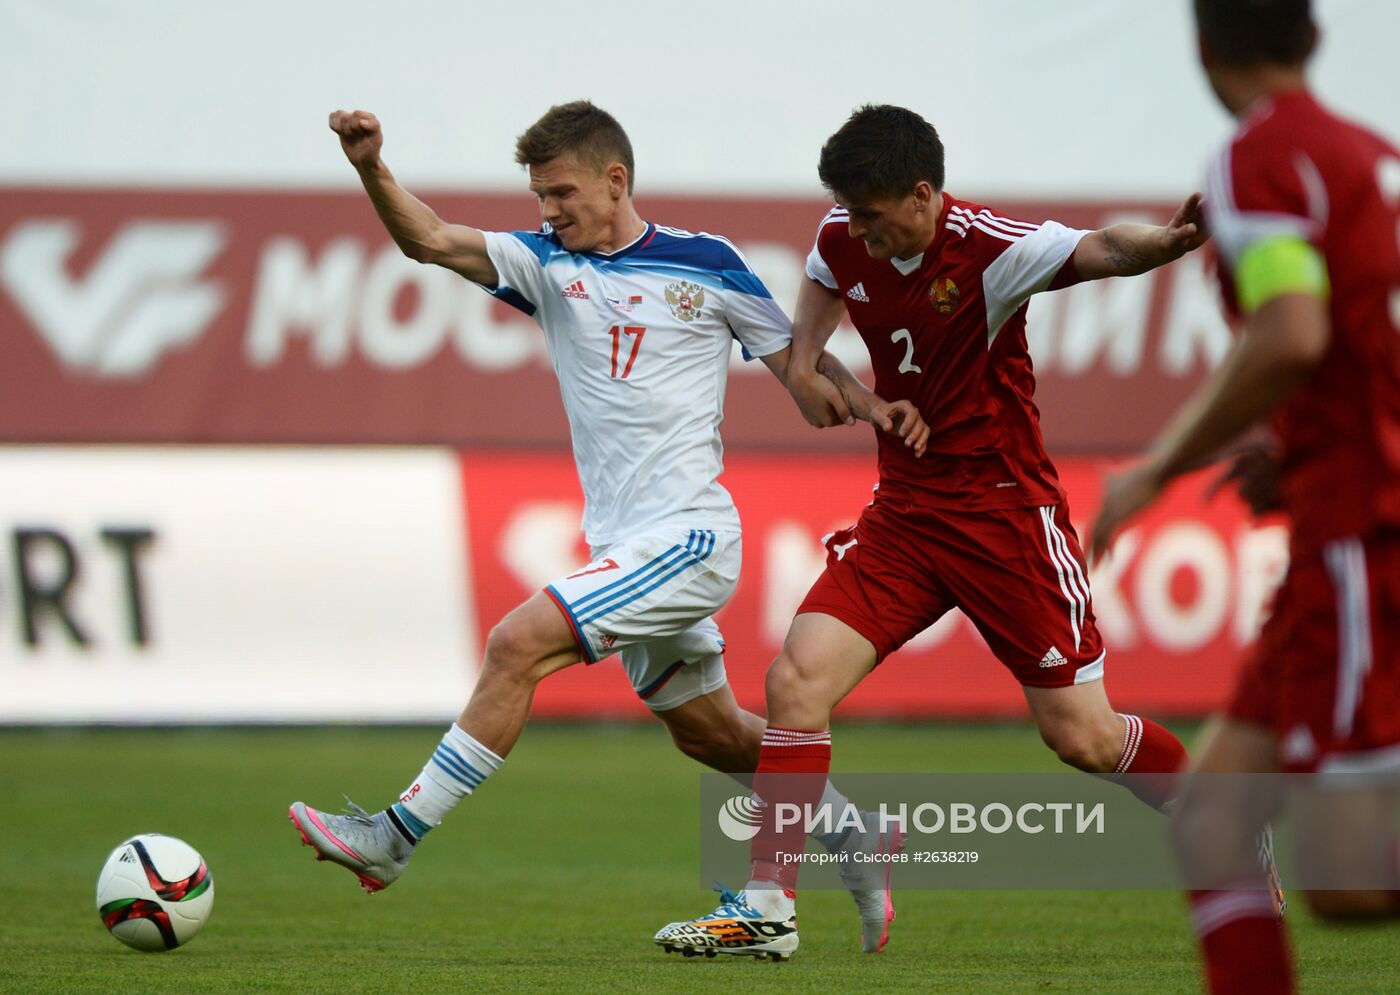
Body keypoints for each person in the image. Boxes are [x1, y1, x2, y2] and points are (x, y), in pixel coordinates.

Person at [287, 100, 929, 953]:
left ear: (615, 180)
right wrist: (371, 166)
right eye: (538, 196)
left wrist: (865, 403)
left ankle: (394, 837)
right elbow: (430, 239)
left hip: (693, 537)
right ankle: (857, 834)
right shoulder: (545, 265)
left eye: (560, 193)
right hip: (627, 547)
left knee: (519, 642)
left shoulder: (712, 265)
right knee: (710, 731)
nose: (547, 211)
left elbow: (804, 376)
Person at [655, 103, 1211, 961]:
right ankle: (770, 906)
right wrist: (825, 379)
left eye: (875, 216)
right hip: (906, 517)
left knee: (1083, 738)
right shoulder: (844, 233)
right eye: (851, 213)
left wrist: (1169, 244)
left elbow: (1103, 248)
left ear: (923, 195)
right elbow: (812, 327)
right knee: (795, 681)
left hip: (1004, 520)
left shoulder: (991, 249)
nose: (860, 232)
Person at [1089, 2, 1400, 992]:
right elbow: (1347, 338)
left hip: (1364, 530)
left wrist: (1158, 463)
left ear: (1203, 47)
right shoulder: (1369, 158)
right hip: (1337, 506)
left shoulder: (1256, 157)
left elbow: (1290, 330)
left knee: (1346, 884)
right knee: (1213, 819)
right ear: (1310, 39)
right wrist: (1298, 434)